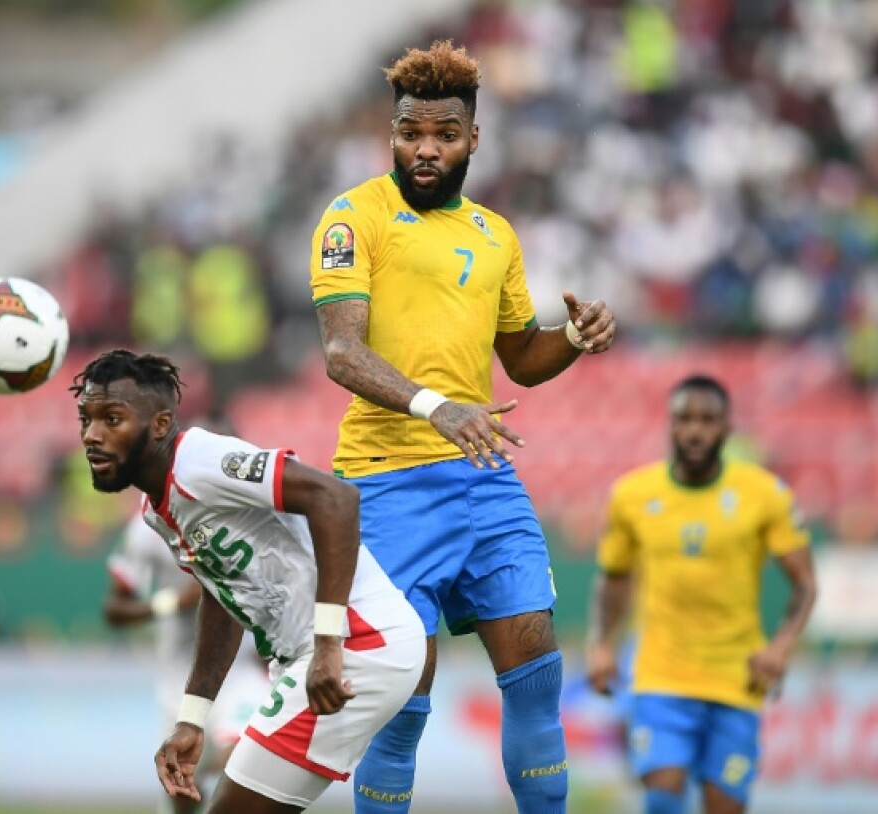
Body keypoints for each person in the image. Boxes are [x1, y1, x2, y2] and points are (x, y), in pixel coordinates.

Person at [309, 40, 616, 814]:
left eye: (444, 134)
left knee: (538, 674)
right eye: (410, 131)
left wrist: (573, 338)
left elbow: (522, 358)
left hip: (482, 478)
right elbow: (342, 353)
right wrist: (435, 407)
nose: (425, 148)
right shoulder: (352, 217)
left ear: (472, 139)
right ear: (391, 134)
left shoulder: (494, 234)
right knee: (399, 703)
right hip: (385, 483)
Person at [72, 349, 426, 813]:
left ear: (159, 425)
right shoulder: (156, 509)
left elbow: (336, 498)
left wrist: (328, 643)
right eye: (86, 419)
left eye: (112, 419)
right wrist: (192, 718)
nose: (92, 435)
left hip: (358, 644)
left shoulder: (199, 460)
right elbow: (222, 597)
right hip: (311, 655)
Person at [585, 375, 817, 814]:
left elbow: (804, 582)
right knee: (662, 796)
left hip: (737, 678)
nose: (695, 431)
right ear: (670, 425)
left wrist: (782, 645)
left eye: (708, 420)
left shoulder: (764, 494)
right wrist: (600, 644)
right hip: (660, 674)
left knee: (723, 806)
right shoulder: (632, 495)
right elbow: (614, 577)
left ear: (727, 427)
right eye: (684, 419)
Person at [105, 509, 269, 814]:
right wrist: (172, 602)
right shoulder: (148, 525)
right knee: (182, 789)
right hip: (180, 676)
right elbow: (113, 609)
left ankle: (221, 793)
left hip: (241, 667)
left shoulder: (242, 510)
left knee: (242, 756)